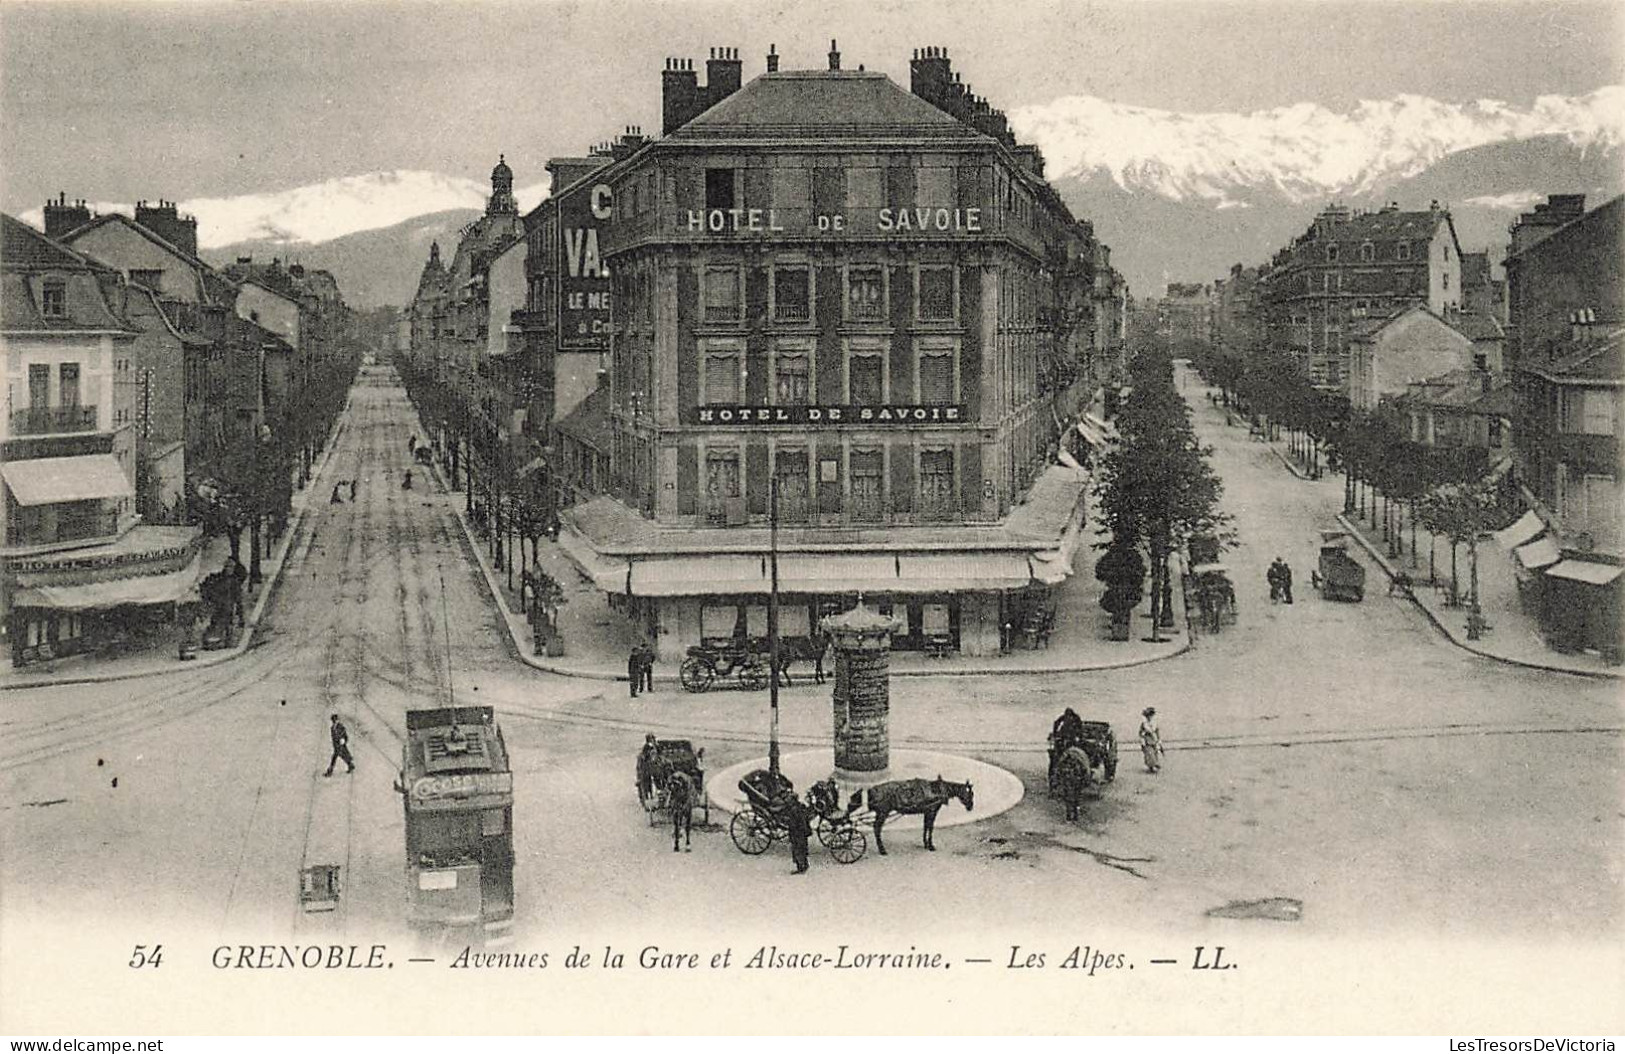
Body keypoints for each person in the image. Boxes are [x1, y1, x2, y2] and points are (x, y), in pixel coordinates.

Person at [785, 795, 813, 875]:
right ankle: (805, 864)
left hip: (797, 833)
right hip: (802, 832)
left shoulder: (794, 810)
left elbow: (794, 823)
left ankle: (800, 868)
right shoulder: (800, 807)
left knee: (797, 850)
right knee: (802, 849)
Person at [1139, 707, 1163, 774]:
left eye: (1151, 716)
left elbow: (1157, 731)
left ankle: (1153, 765)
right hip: (1147, 741)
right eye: (1149, 716)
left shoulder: (1154, 723)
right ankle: (1152, 765)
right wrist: (1142, 739)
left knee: (1155, 752)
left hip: (1153, 740)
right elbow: (1140, 733)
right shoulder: (1144, 724)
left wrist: (1159, 739)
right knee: (1149, 754)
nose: (1150, 717)